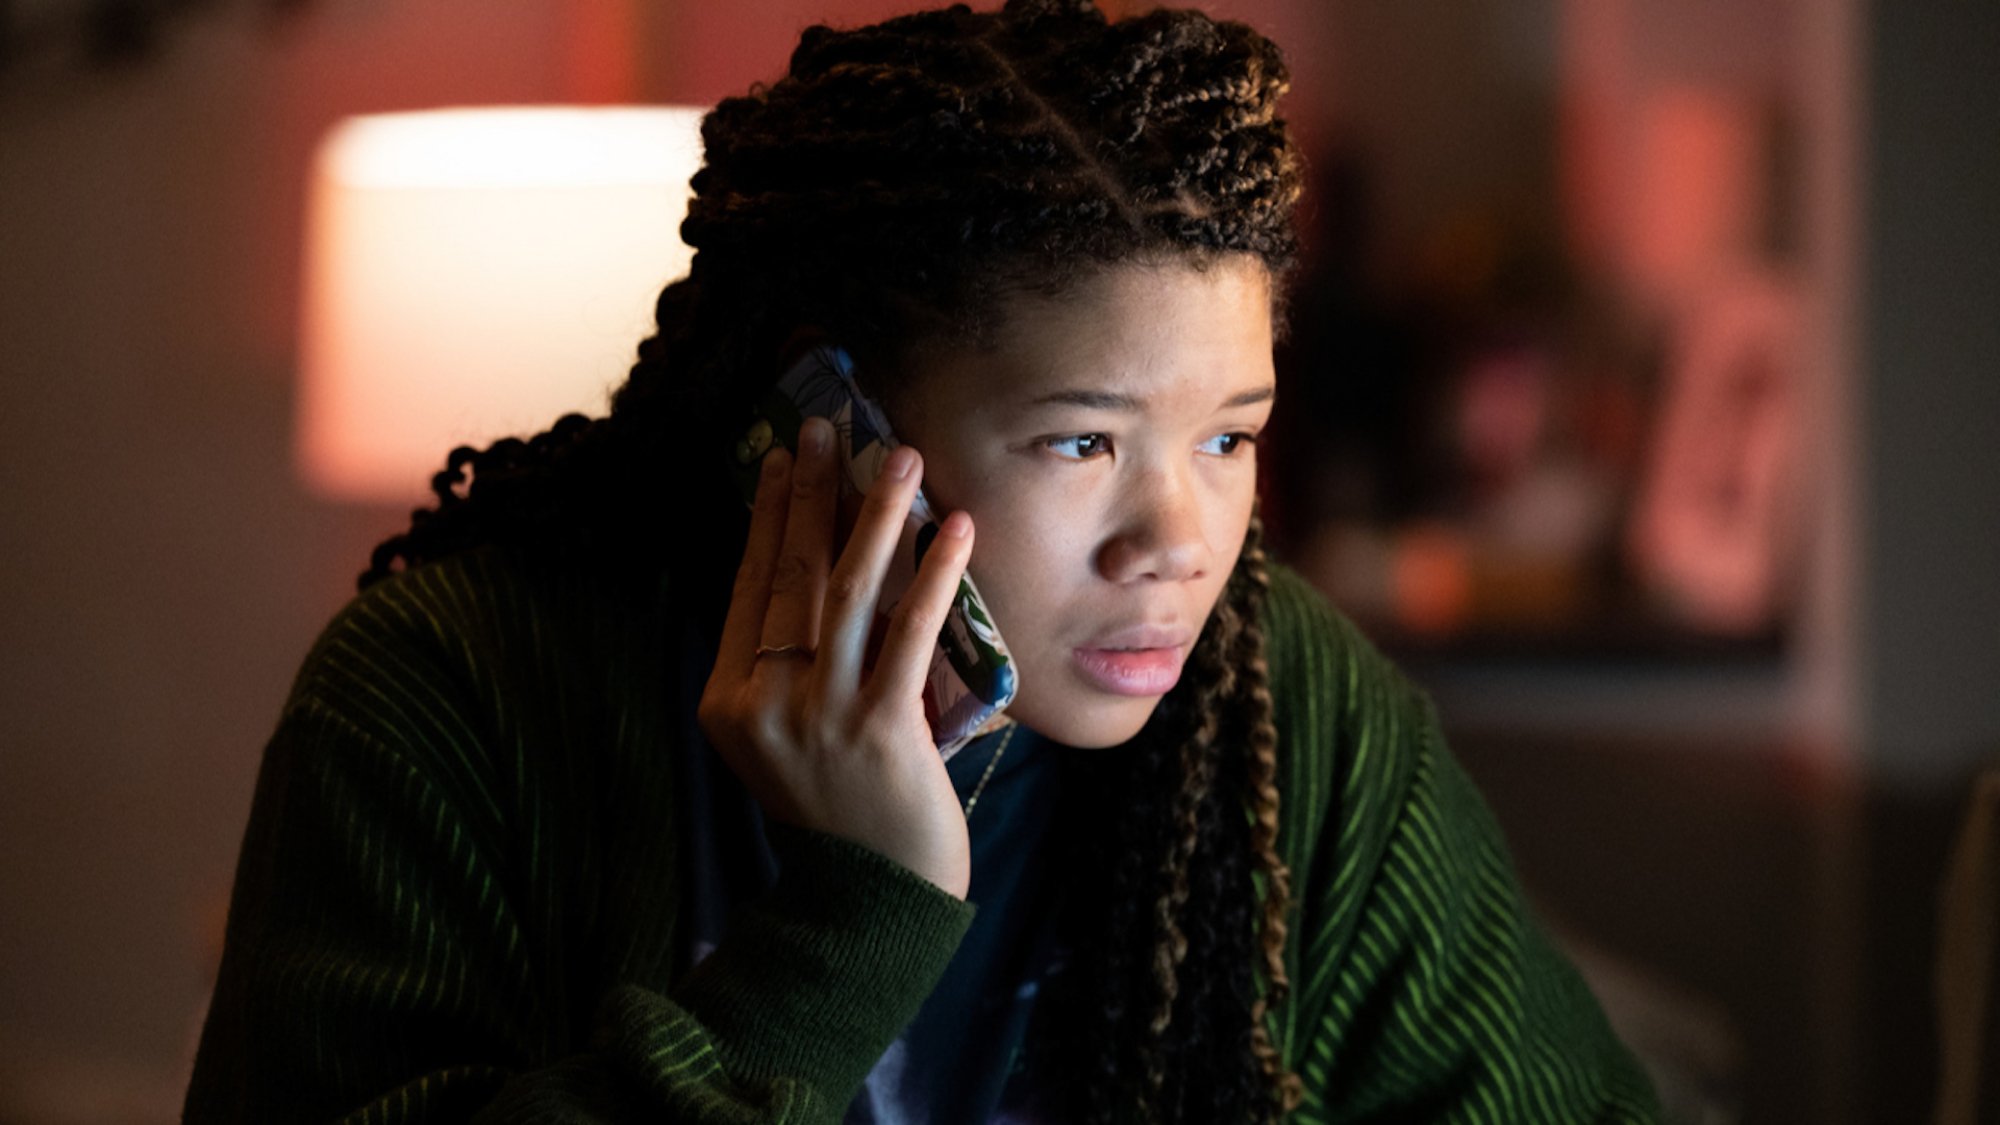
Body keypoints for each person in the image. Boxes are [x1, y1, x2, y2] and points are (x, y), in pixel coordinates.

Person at [184, 1, 1661, 1121]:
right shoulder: (447, 702)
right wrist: (855, 920)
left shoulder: (1288, 717)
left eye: (1228, 437)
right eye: (1084, 444)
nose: (1179, 542)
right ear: (820, 421)